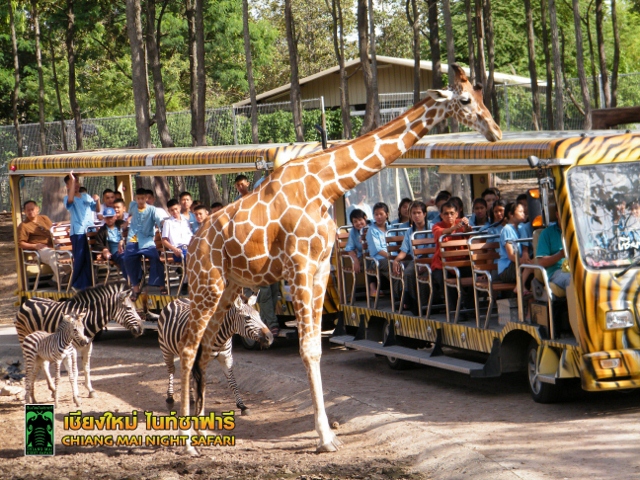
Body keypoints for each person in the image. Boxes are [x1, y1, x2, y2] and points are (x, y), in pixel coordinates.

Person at [431, 201, 472, 317]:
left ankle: (469, 308)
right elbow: (442, 233)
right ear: (441, 215)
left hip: (461, 262)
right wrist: (454, 228)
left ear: (457, 214)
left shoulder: (462, 223)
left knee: (476, 275)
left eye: (451, 213)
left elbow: (469, 234)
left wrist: (467, 226)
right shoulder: (437, 226)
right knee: (445, 279)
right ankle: (455, 311)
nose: (449, 216)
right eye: (446, 214)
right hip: (442, 265)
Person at [124, 187, 167, 300]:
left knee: (155, 258)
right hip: (132, 240)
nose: (140, 201)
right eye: (138, 198)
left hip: (147, 240)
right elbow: (129, 216)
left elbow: (159, 221)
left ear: (146, 198)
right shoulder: (132, 205)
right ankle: (136, 287)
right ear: (135, 198)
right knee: (128, 259)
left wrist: (164, 223)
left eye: (143, 198)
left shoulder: (152, 210)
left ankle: (161, 285)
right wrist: (126, 222)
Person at [391, 201, 431, 315]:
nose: (416, 216)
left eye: (419, 213)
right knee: (408, 273)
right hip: (417, 261)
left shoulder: (433, 227)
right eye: (414, 213)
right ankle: (413, 303)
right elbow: (404, 251)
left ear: (424, 214)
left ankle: (428, 304)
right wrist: (396, 260)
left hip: (432, 260)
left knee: (424, 275)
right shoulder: (410, 232)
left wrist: (427, 263)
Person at [18, 200, 69, 286]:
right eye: (28, 210)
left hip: (53, 246)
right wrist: (35, 245)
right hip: (40, 250)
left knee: (71, 255)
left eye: (32, 209)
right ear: (24, 212)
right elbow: (21, 243)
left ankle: (55, 280)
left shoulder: (44, 218)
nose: (30, 212)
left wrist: (57, 238)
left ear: (37, 209)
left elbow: (52, 230)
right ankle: (62, 280)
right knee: (54, 256)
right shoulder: (23, 225)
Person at [64, 172, 100, 290]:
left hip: (90, 230)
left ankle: (87, 284)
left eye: (77, 181)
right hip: (78, 232)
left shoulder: (86, 196)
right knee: (79, 257)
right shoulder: (68, 198)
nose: (77, 184)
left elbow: (96, 208)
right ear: (68, 186)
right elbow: (70, 201)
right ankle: (75, 283)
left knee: (89, 258)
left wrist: (97, 199)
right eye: (73, 182)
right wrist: (72, 179)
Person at [497, 202, 534, 293]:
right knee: (530, 264)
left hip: (518, 264)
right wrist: (524, 261)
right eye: (520, 211)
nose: (523, 213)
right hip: (507, 268)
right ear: (511, 214)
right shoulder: (507, 229)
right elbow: (511, 255)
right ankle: (520, 286)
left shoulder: (521, 228)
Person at [536, 204, 571, 293]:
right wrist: (561, 254)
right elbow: (541, 261)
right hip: (557, 271)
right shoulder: (546, 233)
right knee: (573, 281)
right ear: (557, 215)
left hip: (580, 269)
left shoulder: (580, 232)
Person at [365, 202, 391, 297]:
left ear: (387, 215)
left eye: (381, 214)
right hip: (378, 260)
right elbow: (378, 250)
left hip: (392, 257)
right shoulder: (372, 230)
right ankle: (399, 295)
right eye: (376, 214)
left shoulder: (391, 227)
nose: (379, 217)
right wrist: (392, 257)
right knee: (394, 267)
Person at [94, 207, 127, 279]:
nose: (109, 219)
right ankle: (132, 280)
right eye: (107, 218)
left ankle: (139, 279)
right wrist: (104, 249)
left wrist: (123, 240)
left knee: (135, 257)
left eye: (111, 217)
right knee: (124, 259)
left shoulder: (121, 225)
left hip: (127, 249)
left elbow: (131, 234)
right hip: (116, 253)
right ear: (104, 219)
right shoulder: (102, 231)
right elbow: (98, 244)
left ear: (115, 217)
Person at [162, 199, 193, 264]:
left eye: (176, 209)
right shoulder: (168, 223)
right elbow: (164, 240)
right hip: (178, 250)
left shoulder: (186, 221)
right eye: (172, 210)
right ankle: (185, 273)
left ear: (180, 207)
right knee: (190, 258)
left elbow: (190, 235)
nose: (175, 211)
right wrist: (174, 249)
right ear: (169, 211)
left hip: (190, 248)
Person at [344, 209, 369, 275]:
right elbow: (349, 248)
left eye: (360, 220)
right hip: (363, 256)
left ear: (365, 218)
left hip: (377, 255)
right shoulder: (353, 232)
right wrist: (355, 260)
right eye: (355, 221)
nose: (358, 223)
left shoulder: (373, 226)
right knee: (367, 263)